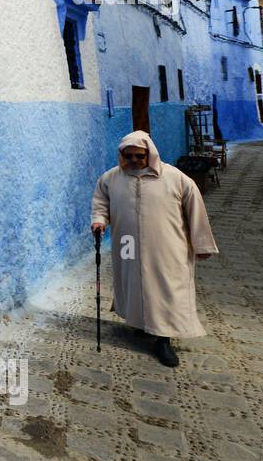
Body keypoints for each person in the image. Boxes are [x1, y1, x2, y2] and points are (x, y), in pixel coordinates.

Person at [90, 131, 219, 368]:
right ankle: (141, 324)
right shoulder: (111, 178)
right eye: (128, 156)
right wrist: (99, 220)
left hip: (168, 247)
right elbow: (101, 202)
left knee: (166, 288)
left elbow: (196, 211)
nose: (134, 161)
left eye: (139, 156)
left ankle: (163, 338)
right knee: (133, 282)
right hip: (127, 243)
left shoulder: (176, 178)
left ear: (149, 154)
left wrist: (201, 244)